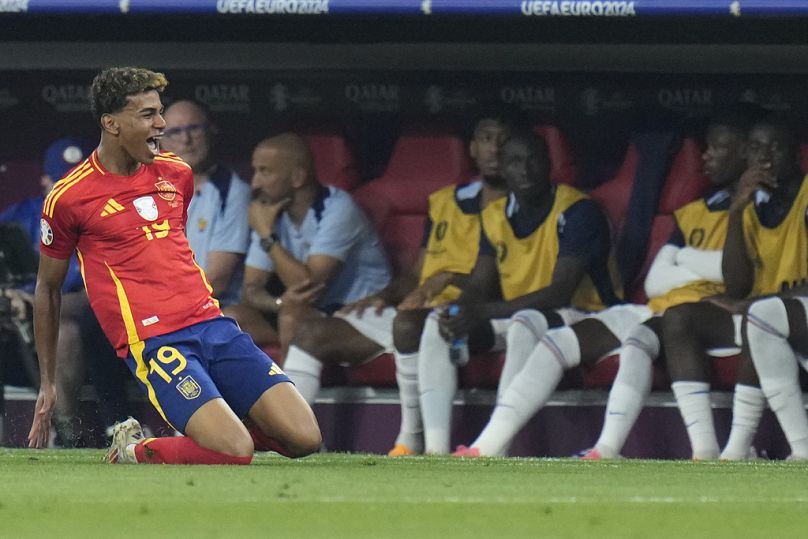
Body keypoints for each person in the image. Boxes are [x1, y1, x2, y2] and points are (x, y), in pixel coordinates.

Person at [28, 66, 321, 465]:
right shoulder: (68, 198)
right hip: (158, 343)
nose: (161, 124)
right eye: (147, 114)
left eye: (159, 111)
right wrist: (48, 382)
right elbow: (47, 289)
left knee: (305, 439)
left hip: (214, 326)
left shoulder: (175, 173)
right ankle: (131, 451)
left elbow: (171, 251)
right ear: (111, 123)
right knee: (236, 453)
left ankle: (225, 431)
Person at [454, 113, 750, 458]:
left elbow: (738, 277)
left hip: (712, 313)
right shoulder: (694, 212)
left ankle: (612, 449)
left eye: (718, 147)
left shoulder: (755, 210)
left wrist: (685, 262)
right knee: (557, 343)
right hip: (658, 308)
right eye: (705, 146)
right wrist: (704, 269)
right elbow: (657, 282)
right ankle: (486, 448)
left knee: (640, 338)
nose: (705, 156)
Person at [281, 108, 512, 456]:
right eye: (486, 139)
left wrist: (446, 279)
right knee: (311, 333)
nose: (494, 149)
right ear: (473, 149)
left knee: (409, 323)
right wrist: (384, 295)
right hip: (418, 306)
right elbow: (418, 273)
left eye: (503, 140)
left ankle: (409, 439)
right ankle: (294, 439)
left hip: (474, 311)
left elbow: (512, 280)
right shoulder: (445, 201)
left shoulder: (523, 204)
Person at [420, 128, 621, 454]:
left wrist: (480, 312)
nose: (524, 170)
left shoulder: (578, 211)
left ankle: (495, 446)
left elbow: (560, 293)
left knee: (524, 323)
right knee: (437, 323)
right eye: (514, 162)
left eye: (532, 161)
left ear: (548, 164)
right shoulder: (495, 216)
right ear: (502, 168)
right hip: (521, 314)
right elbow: (481, 283)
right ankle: (434, 449)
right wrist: (460, 311)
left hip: (585, 314)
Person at [663, 116, 808, 460]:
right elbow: (737, 285)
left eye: (776, 147)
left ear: (797, 154)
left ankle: (778, 448)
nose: (767, 157)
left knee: (760, 317)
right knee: (678, 318)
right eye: (757, 148)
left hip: (792, 310)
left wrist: (757, 303)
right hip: (766, 313)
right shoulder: (751, 204)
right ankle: (705, 450)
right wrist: (735, 211)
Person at [1, 136, 125, 447]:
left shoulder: (105, 223)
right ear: (45, 181)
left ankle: (65, 432)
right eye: (61, 182)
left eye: (79, 181)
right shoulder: (19, 217)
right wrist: (10, 298)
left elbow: (100, 298)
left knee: (66, 332)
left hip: (74, 335)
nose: (71, 192)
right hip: (13, 332)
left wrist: (33, 305)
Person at [224, 133, 391, 356]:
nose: (255, 183)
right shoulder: (271, 212)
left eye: (265, 172)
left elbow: (307, 285)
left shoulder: (338, 208)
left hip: (364, 316)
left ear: (297, 178)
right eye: (255, 171)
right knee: (232, 319)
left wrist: (266, 234)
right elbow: (250, 290)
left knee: (293, 317)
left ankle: (291, 390)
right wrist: (279, 302)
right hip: (317, 315)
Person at [161, 100, 250, 306]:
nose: (185, 139)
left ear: (211, 131)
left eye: (194, 128)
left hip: (210, 309)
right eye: (174, 132)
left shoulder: (232, 192)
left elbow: (217, 281)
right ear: (161, 141)